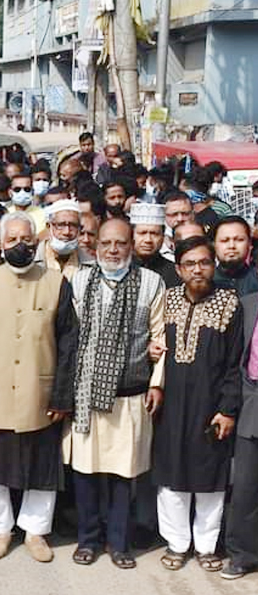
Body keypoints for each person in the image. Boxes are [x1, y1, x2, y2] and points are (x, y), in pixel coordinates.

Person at [0, 211, 78, 563]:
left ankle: (36, 531)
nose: (20, 245)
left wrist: (63, 393)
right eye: (11, 239)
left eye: (26, 239)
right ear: (0, 244)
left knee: (42, 466)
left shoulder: (56, 281)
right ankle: (0, 529)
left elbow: (69, 342)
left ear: (37, 241)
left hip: (41, 390)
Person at [67, 219, 165, 569]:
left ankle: (118, 542)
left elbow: (159, 339)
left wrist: (156, 383)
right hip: (86, 393)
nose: (112, 250)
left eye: (120, 243)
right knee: (86, 471)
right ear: (95, 246)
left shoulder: (151, 283)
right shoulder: (79, 280)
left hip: (131, 394)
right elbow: (69, 337)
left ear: (131, 245)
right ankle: (88, 539)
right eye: (106, 243)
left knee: (124, 474)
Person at [153, 235, 242, 573]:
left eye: (204, 262)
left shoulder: (229, 303)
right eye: (189, 264)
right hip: (172, 404)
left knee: (210, 478)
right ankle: (177, 543)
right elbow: (154, 343)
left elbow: (235, 362)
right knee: (171, 475)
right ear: (178, 269)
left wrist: (227, 408)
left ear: (213, 265)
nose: (197, 270)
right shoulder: (167, 299)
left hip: (212, 404)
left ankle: (205, 546)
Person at [224, 289, 258, 579]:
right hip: (252, 400)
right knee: (246, 484)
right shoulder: (247, 305)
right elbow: (235, 358)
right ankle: (242, 554)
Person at [35, 200, 89, 279]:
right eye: (60, 225)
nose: (67, 232)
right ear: (48, 226)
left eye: (73, 225)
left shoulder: (90, 262)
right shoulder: (33, 259)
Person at [129, 203, 179, 288]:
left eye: (154, 234)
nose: (148, 240)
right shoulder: (120, 268)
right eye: (142, 233)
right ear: (131, 235)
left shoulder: (174, 272)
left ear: (163, 236)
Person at [213, 216, 258, 296]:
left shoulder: (255, 279)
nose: (231, 246)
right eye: (224, 240)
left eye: (239, 240)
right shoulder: (206, 282)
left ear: (249, 243)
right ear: (214, 245)